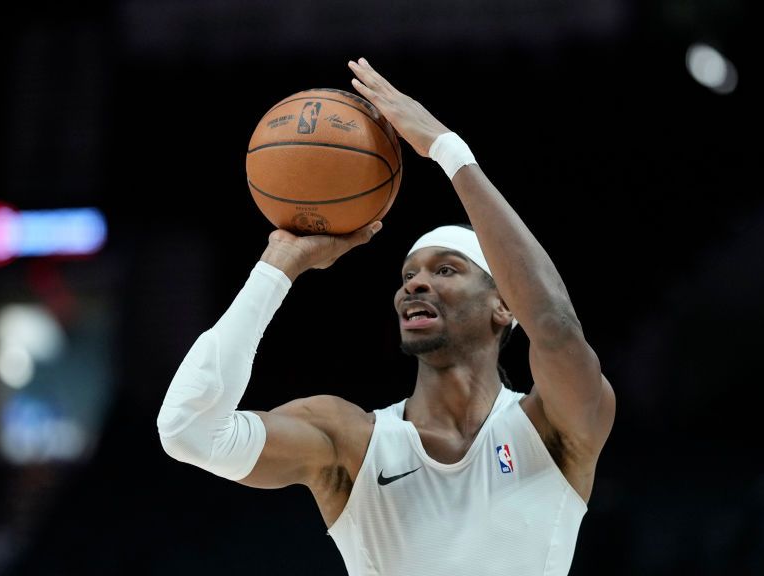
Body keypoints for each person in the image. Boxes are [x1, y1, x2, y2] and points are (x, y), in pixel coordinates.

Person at [157, 57, 616, 576]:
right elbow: (187, 430)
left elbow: (555, 327)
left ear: (503, 305)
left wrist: (449, 151)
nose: (416, 283)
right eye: (408, 275)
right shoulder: (350, 442)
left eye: (446, 270)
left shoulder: (552, 426)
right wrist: (277, 266)